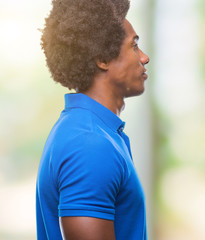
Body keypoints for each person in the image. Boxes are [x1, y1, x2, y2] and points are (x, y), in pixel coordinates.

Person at [36, 0, 150, 239]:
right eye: (134, 45)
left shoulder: (95, 133)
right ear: (103, 59)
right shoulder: (89, 143)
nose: (144, 57)